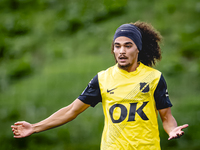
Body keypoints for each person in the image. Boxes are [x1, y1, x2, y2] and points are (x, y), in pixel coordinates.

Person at [11, 21, 188, 150]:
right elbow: (72, 110)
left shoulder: (154, 78)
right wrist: (34, 127)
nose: (122, 51)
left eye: (128, 46)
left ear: (138, 49)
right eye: (117, 46)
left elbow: (166, 117)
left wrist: (172, 130)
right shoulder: (103, 79)